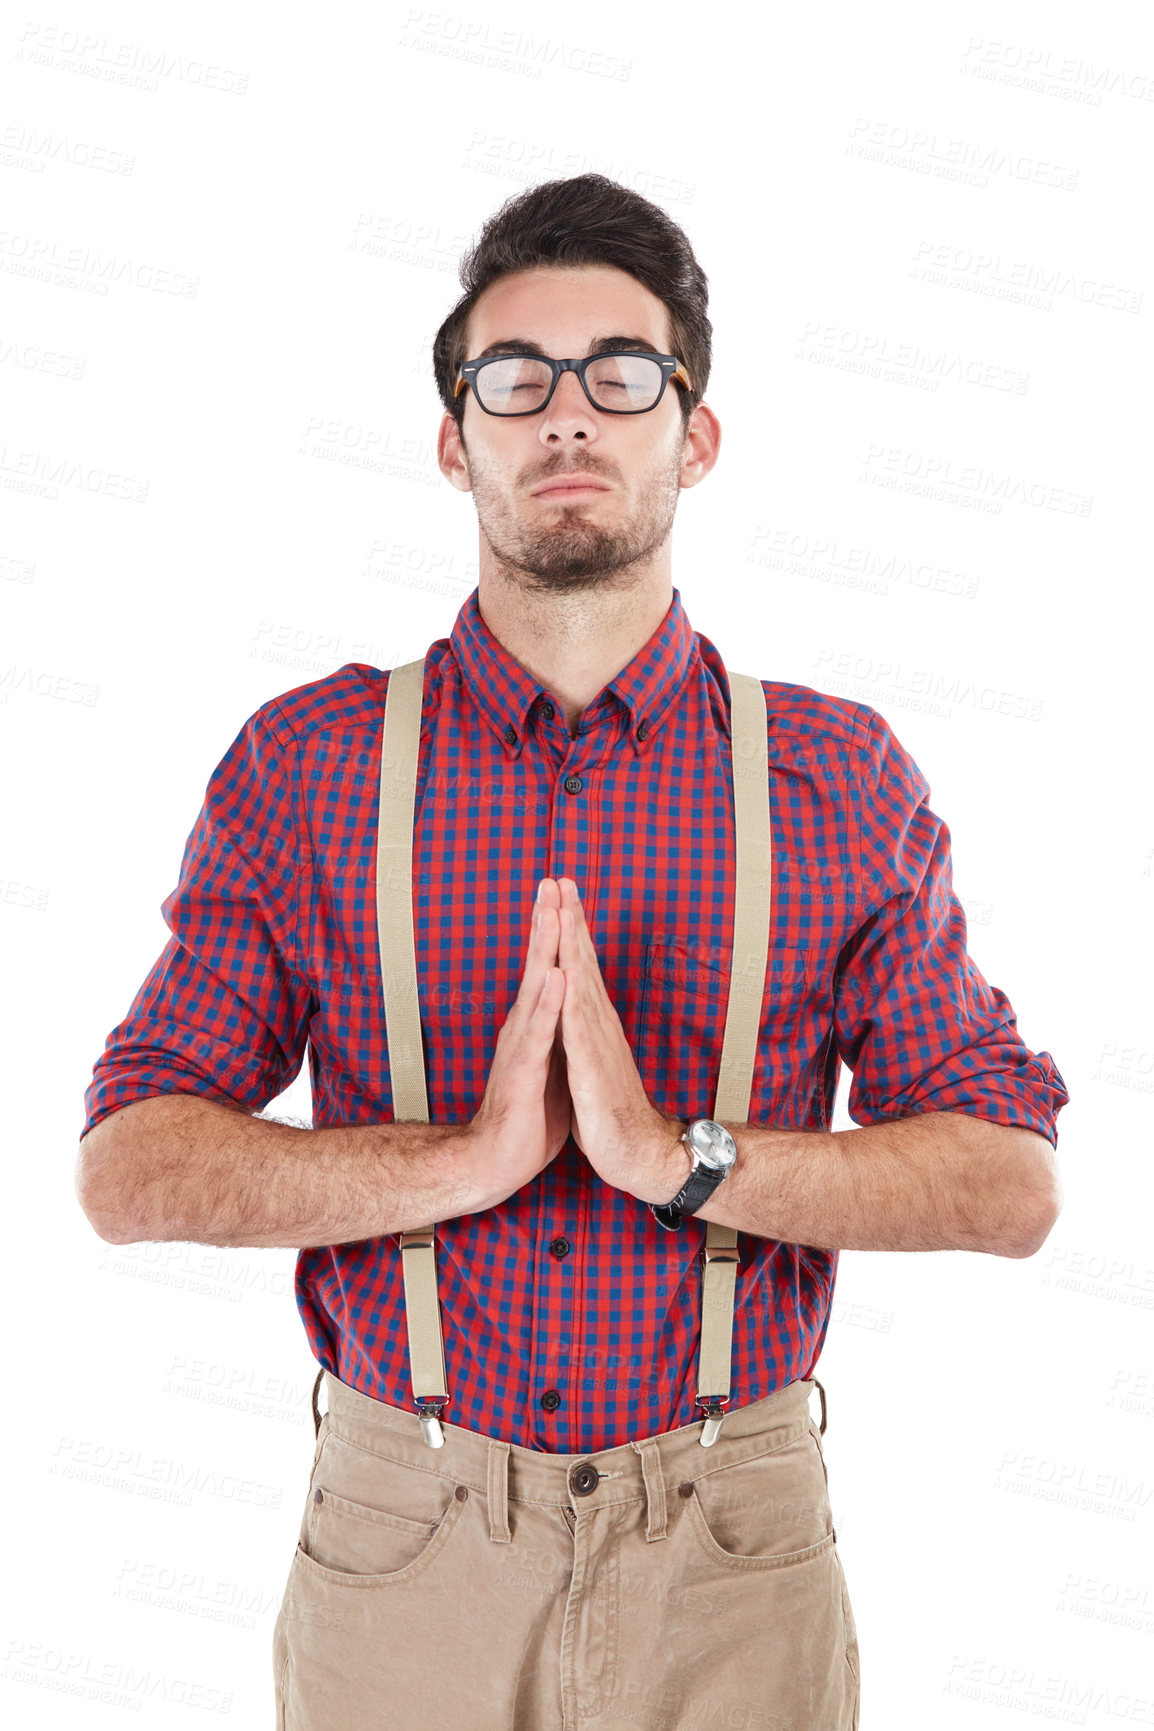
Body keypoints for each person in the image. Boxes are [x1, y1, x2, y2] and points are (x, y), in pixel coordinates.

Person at [76, 173, 1069, 1730]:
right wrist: (458, 1165)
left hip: (731, 1542)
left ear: (694, 433)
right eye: (513, 377)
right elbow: (127, 1166)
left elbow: (1007, 1184)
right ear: (453, 437)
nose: (567, 416)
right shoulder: (309, 762)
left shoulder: (834, 773)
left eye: (621, 373)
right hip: (406, 1537)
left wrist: (684, 1160)